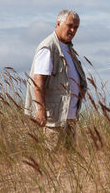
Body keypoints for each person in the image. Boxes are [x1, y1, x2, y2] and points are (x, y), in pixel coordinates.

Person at [25, 10, 87, 150]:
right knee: (54, 159)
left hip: (69, 116)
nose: (72, 30)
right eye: (70, 25)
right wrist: (40, 110)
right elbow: (38, 81)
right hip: (54, 118)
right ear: (58, 23)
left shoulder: (68, 48)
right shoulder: (48, 47)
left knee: (69, 162)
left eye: (76, 27)